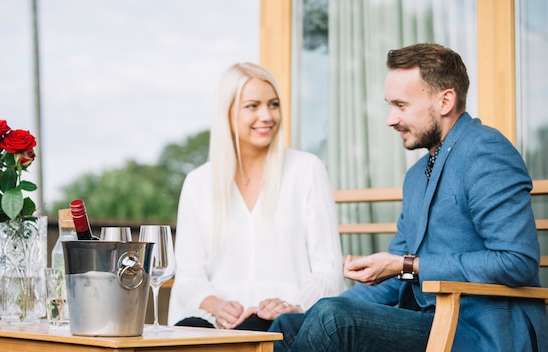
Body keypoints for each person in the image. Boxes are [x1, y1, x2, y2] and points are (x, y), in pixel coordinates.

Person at [269, 43, 548, 351]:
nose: (390, 119)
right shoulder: (416, 177)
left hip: (485, 333)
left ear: (445, 101)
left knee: (332, 319)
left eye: (401, 105)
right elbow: (394, 277)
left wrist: (409, 265)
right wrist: (309, 313)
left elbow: (517, 261)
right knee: (288, 326)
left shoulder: (485, 151)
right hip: (430, 324)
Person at [167, 62, 346, 331]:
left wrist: (290, 304)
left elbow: (328, 271)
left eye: (273, 105)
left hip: (284, 319)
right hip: (215, 321)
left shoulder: (307, 170)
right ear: (226, 113)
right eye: (253, 106)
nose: (267, 116)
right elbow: (189, 275)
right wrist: (217, 306)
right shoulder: (198, 183)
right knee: (189, 331)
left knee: (255, 327)